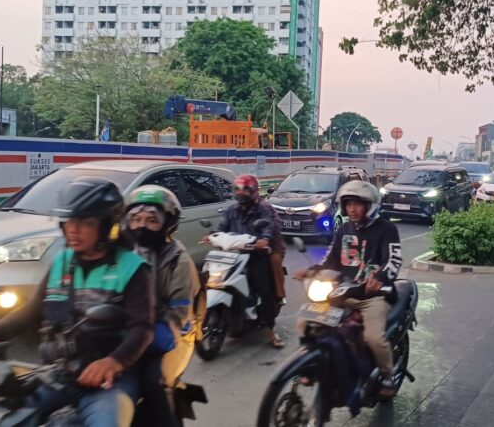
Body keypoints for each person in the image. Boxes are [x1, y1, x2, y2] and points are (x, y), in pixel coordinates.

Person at [0, 176, 155, 427]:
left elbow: (142, 329)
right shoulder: (62, 262)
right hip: (57, 375)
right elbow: (33, 310)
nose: (73, 230)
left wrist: (113, 362)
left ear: (108, 226)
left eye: (85, 222)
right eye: (68, 222)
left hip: (109, 381)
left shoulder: (133, 268)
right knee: (3, 419)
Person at [293, 180, 403, 398]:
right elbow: (330, 260)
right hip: (342, 291)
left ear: (370, 205)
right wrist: (311, 271)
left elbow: (394, 260)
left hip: (373, 296)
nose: (352, 209)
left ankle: (387, 375)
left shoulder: (386, 229)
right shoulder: (344, 229)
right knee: (305, 321)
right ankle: (312, 365)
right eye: (348, 204)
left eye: (358, 204)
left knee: (373, 338)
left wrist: (379, 278)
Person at [123, 185, 203, 427]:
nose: (142, 226)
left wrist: (135, 341)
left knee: (152, 382)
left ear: (167, 223)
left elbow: (177, 316)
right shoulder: (124, 253)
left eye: (151, 220)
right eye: (135, 219)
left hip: (173, 335)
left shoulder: (178, 261)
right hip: (130, 332)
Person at [210, 174, 286, 348]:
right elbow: (221, 226)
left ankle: (270, 331)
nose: (241, 193)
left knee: (263, 289)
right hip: (234, 254)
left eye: (245, 189)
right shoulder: (231, 210)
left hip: (256, 254)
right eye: (238, 189)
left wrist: (264, 240)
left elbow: (268, 226)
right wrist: (212, 236)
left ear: (253, 191)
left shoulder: (263, 209)